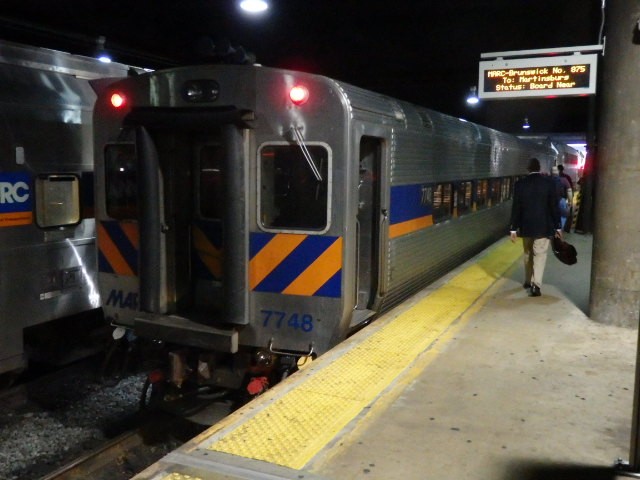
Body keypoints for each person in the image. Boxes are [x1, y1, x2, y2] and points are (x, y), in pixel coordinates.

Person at [509, 158, 562, 297]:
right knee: (540, 255)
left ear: (528, 169)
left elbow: (516, 208)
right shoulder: (549, 183)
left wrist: (513, 228)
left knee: (528, 254)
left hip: (526, 227)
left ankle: (527, 280)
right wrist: (558, 227)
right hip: (544, 227)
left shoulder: (520, 184)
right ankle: (536, 285)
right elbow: (554, 207)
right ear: (539, 168)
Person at [551, 165, 572, 230]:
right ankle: (559, 229)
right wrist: (570, 201)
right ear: (558, 171)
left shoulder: (547, 179)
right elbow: (569, 190)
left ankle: (552, 229)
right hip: (561, 200)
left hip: (550, 201)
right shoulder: (564, 179)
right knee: (563, 215)